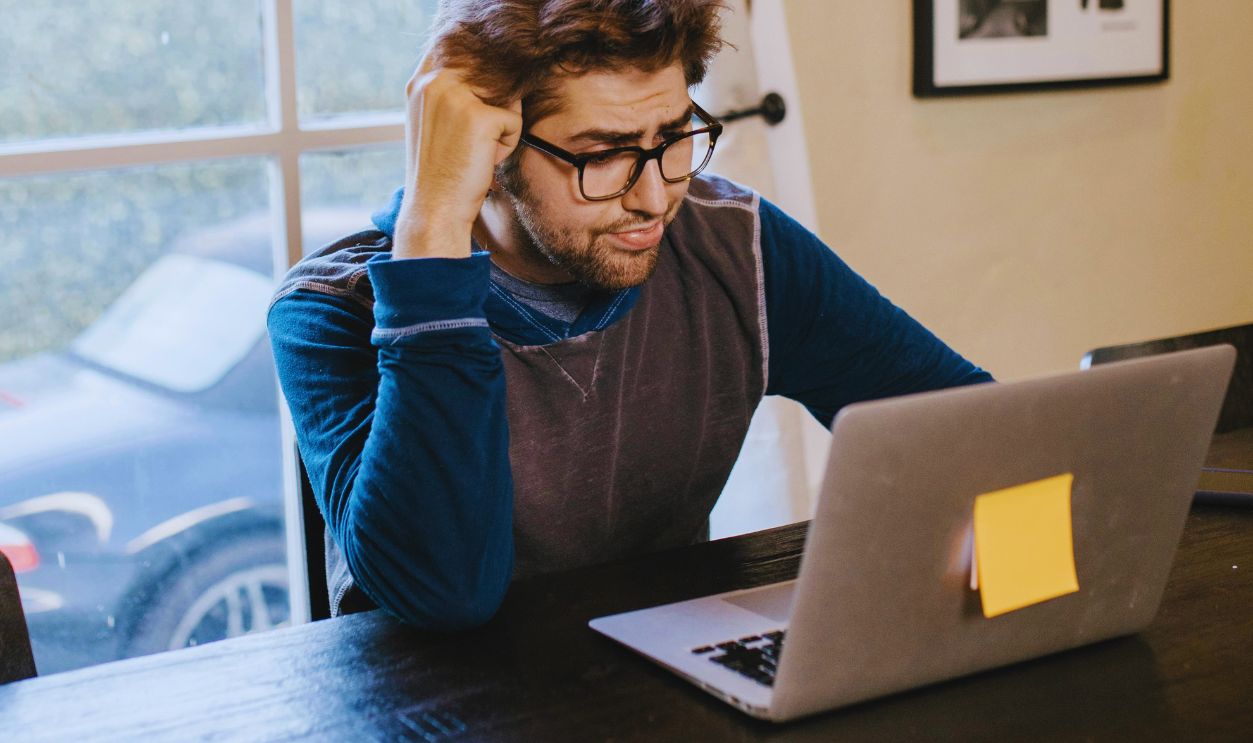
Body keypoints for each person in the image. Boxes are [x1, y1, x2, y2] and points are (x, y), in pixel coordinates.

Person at [268, 0, 992, 631]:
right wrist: (430, 231)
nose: (653, 198)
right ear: (493, 146)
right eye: (605, 154)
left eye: (674, 137)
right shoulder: (328, 311)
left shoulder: (737, 247)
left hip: (654, 694)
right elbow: (444, 595)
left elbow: (970, 436)